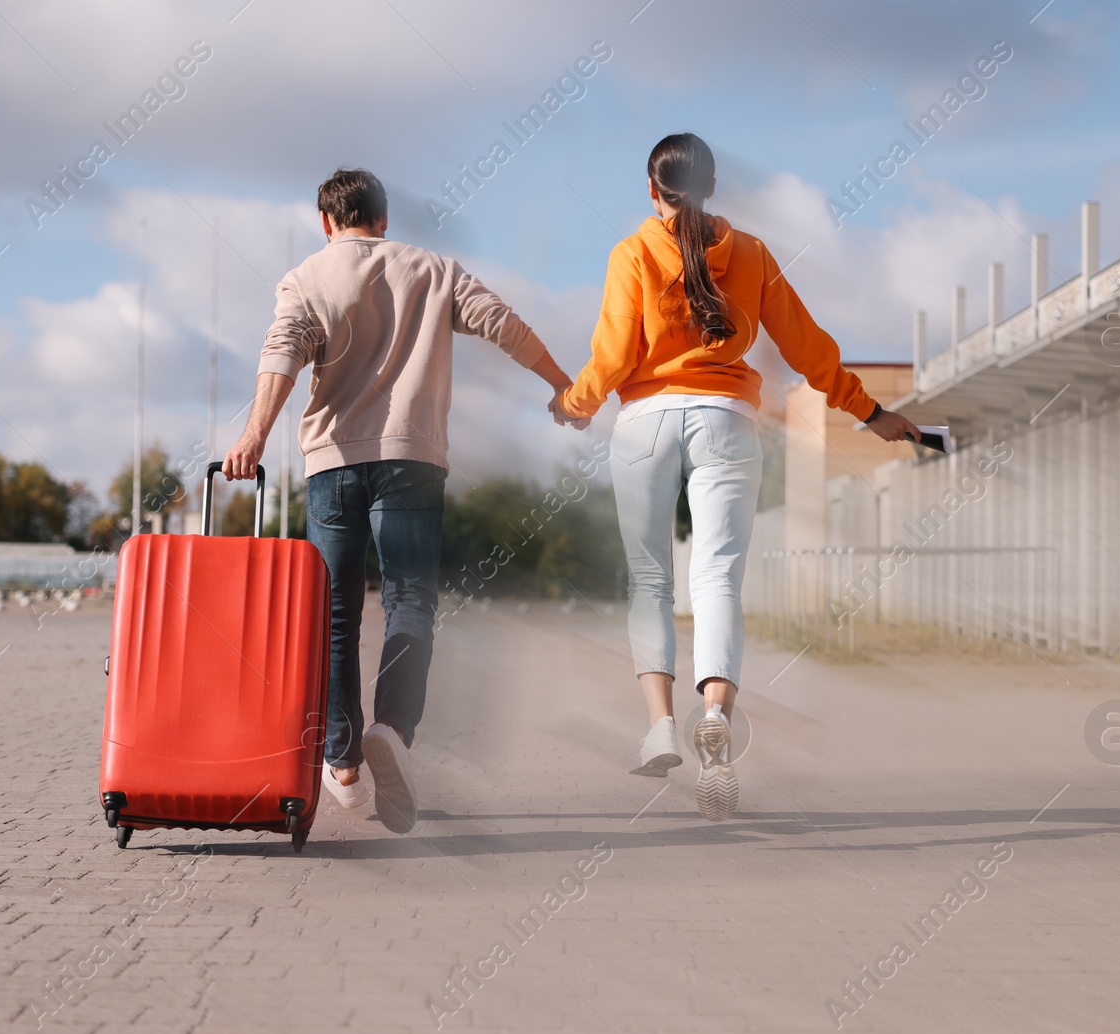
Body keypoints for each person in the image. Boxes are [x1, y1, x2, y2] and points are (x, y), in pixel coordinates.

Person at [552, 133, 919, 821]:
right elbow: (808, 347)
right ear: (712, 186)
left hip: (646, 420)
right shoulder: (749, 253)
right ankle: (715, 710)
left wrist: (573, 404)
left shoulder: (632, 251)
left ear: (650, 187)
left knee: (652, 578)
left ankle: (660, 723)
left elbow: (609, 354)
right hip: (727, 419)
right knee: (716, 576)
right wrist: (869, 411)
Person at [223, 167, 578, 835]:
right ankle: (390, 727)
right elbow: (502, 322)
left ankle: (344, 760)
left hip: (333, 463)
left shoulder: (305, 278)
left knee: (333, 614)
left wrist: (253, 436)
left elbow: (282, 354)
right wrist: (563, 385)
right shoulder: (434, 270)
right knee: (411, 599)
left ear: (327, 223)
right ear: (383, 219)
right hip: (414, 460)